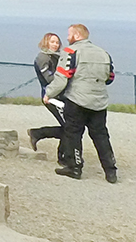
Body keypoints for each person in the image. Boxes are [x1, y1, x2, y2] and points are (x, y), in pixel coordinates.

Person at [46, 23, 116, 183]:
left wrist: (49, 94)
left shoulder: (70, 52)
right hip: (99, 102)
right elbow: (110, 78)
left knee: (73, 133)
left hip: (77, 100)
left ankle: (74, 167)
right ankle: (110, 170)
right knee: (101, 135)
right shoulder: (103, 53)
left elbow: (61, 78)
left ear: (77, 36)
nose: (67, 38)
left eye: (69, 34)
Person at [25, 32, 67, 156]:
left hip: (61, 95)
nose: (55, 44)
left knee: (71, 127)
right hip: (51, 96)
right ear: (46, 42)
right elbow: (49, 79)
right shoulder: (42, 57)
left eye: (57, 42)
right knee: (70, 127)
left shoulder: (58, 57)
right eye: (52, 42)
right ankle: (63, 156)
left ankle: (38, 133)